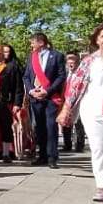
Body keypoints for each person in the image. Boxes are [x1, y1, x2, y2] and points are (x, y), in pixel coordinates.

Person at [59, 23, 103, 202]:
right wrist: (66, 109)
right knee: (98, 148)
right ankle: (102, 186)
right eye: (102, 36)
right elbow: (75, 86)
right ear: (97, 40)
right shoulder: (88, 61)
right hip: (93, 108)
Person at [24, 32, 66, 168]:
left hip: (50, 97)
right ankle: (41, 155)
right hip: (35, 97)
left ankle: (52, 157)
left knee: (51, 127)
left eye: (33, 42)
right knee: (39, 128)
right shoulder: (31, 57)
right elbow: (26, 76)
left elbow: (61, 76)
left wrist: (47, 91)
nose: (31, 45)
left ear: (41, 42)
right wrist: (31, 90)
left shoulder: (57, 56)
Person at [61, 52, 89, 153]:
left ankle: (79, 145)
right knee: (66, 122)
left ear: (77, 62)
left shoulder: (81, 74)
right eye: (69, 63)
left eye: (73, 62)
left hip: (78, 101)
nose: (70, 65)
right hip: (66, 100)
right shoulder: (64, 73)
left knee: (78, 123)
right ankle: (67, 144)